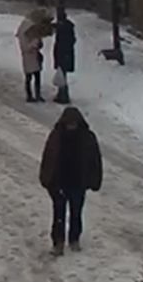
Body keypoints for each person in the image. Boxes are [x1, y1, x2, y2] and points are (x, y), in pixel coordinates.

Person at [39, 107, 103, 256]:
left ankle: (74, 239)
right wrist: (46, 179)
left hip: (78, 183)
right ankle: (58, 242)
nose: (71, 127)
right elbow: (48, 158)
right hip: (59, 182)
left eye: (73, 124)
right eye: (69, 124)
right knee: (59, 214)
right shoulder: (57, 137)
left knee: (76, 213)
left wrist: (94, 180)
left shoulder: (87, 138)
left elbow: (95, 160)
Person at [17, 8, 51, 102]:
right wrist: (35, 43)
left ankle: (37, 94)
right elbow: (25, 48)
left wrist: (38, 43)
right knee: (29, 77)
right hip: (29, 57)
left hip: (34, 57)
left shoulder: (30, 30)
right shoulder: (24, 34)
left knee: (37, 76)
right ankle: (30, 96)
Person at [52, 6, 76, 104]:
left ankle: (63, 95)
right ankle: (62, 94)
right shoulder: (68, 26)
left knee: (62, 74)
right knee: (62, 74)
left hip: (62, 53)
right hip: (66, 53)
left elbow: (66, 40)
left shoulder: (63, 27)